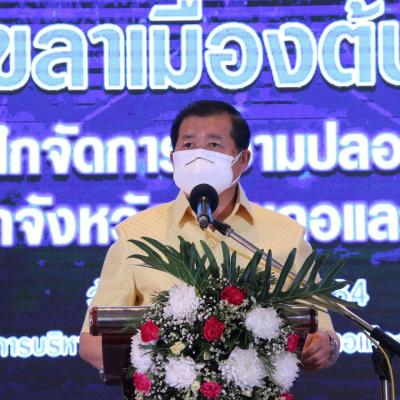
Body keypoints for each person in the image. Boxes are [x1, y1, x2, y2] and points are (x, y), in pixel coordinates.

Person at [79, 100, 340, 372]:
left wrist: (326, 346)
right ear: (173, 158)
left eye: (214, 145)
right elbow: (91, 341)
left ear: (243, 159)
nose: (199, 156)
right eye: (188, 145)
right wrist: (163, 368)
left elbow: (321, 332)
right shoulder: (136, 235)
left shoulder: (286, 235)